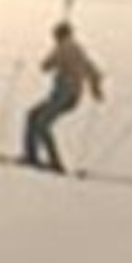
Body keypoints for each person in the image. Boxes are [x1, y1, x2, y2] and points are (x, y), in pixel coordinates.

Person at [19, 20, 101, 173]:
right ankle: (33, 156)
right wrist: (96, 90)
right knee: (33, 115)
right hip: (72, 97)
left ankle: (52, 162)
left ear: (58, 35)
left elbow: (45, 66)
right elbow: (93, 72)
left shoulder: (63, 47)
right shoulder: (79, 49)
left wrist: (53, 56)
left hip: (62, 95)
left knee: (41, 123)